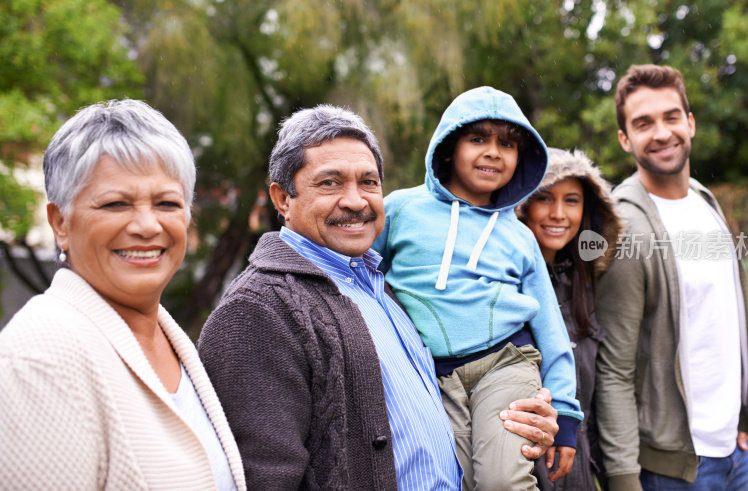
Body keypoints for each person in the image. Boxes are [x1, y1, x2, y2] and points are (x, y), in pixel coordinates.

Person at [198, 104, 562, 490]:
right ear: (282, 199)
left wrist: (520, 419)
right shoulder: (258, 309)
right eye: (330, 183)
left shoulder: (380, 287)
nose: (356, 201)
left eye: (369, 183)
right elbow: (260, 478)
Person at [0, 100, 246, 490]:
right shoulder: (40, 357)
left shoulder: (171, 342)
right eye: (116, 203)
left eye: (167, 203)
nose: (147, 226)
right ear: (60, 223)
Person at [372, 86, 582, 490]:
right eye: (478, 138)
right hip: (431, 376)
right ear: (449, 147)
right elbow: (362, 278)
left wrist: (566, 413)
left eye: (507, 143)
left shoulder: (520, 237)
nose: (493, 151)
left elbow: (552, 328)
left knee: (503, 480)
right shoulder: (400, 209)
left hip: (506, 364)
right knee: (452, 481)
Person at [595, 64, 748, 490]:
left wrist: (738, 418)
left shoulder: (705, 201)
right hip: (673, 470)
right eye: (643, 123)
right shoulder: (625, 227)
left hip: (735, 453)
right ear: (625, 139)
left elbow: (724, 321)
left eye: (671, 117)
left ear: (690, 122)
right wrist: (624, 479)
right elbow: (614, 370)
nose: (662, 132)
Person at [518, 148, 622, 490]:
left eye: (572, 200)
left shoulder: (583, 286)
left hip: (576, 466)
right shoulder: (508, 290)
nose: (558, 214)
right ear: (522, 205)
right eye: (545, 198)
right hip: (523, 465)